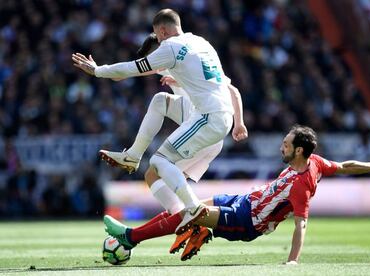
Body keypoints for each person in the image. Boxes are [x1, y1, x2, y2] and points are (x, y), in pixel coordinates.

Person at [103, 124, 370, 264]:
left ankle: (131, 238)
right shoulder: (315, 161)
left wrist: (293, 262)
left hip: (247, 221)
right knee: (188, 206)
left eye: (286, 145)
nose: (281, 147)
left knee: (188, 212)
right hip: (243, 200)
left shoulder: (302, 185)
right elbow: (344, 166)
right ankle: (197, 230)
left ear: (298, 150)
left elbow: (300, 225)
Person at [72, 9, 243, 235]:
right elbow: (226, 85)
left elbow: (133, 68)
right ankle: (134, 157)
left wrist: (97, 71)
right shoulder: (201, 42)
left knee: (160, 161)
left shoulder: (170, 48)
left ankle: (192, 209)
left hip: (208, 117)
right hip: (215, 115)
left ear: (162, 31)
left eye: (157, 35)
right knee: (161, 102)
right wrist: (239, 122)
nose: (158, 40)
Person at [102, 33, 247, 260]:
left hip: (205, 128)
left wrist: (102, 71)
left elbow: (231, 91)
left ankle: (191, 219)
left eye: (153, 55)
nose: (155, 63)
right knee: (160, 177)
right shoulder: (187, 61)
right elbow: (232, 90)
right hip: (208, 134)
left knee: (156, 168)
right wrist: (238, 123)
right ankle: (187, 220)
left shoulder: (179, 61)